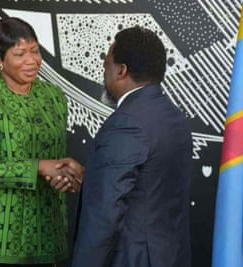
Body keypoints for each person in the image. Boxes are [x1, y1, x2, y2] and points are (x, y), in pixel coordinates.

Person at [0, 17, 84, 267]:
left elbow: (55, 159)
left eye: (35, 51)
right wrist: (40, 167)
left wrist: (65, 175)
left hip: (41, 238)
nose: (31, 61)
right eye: (20, 54)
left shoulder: (53, 96)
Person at [73, 26, 192, 267]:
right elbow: (149, 186)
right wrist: (92, 178)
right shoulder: (175, 117)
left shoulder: (125, 123)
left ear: (121, 70)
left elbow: (105, 214)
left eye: (106, 64)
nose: (104, 71)